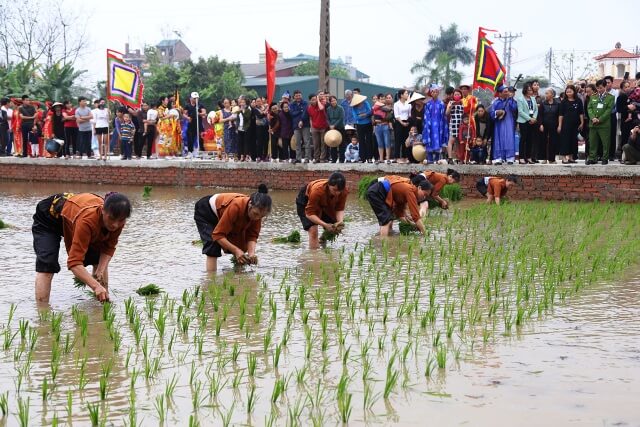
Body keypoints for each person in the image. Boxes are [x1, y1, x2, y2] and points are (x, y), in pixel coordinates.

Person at [32, 192, 131, 303]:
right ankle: (43, 314)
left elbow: (108, 247)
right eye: (112, 219)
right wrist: (95, 286)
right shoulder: (87, 221)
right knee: (48, 265)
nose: (115, 225)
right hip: (50, 217)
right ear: (103, 210)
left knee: (98, 260)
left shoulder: (117, 220)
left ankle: (102, 304)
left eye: (121, 220)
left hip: (72, 217)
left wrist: (100, 270)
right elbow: (74, 263)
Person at [194, 185, 272, 272]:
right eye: (255, 214)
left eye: (262, 216)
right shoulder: (236, 207)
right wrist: (236, 251)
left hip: (224, 213)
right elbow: (218, 235)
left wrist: (251, 254)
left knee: (241, 242)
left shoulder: (257, 214)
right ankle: (211, 278)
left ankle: (238, 274)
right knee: (213, 245)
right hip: (206, 211)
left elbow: (252, 235)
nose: (257, 218)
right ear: (250, 204)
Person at [366, 174, 433, 236]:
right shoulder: (410, 191)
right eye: (424, 194)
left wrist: (412, 224)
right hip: (377, 192)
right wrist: (425, 234)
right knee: (386, 221)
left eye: (426, 197)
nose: (423, 198)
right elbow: (416, 217)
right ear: (419, 188)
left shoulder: (406, 193)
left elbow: (399, 214)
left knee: (389, 218)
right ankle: (383, 243)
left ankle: (381, 237)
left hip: (379, 192)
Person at [296, 172, 348, 249]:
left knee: (335, 227)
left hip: (326, 201)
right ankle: (315, 257)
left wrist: (340, 222)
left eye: (340, 191)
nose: (337, 193)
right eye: (335, 190)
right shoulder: (317, 191)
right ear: (329, 185)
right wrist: (325, 225)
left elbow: (339, 209)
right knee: (313, 231)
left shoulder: (343, 191)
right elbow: (309, 214)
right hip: (306, 200)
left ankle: (322, 240)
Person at [586, 79, 615, 165]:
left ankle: (605, 158)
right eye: (598, 88)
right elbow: (589, 108)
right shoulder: (593, 96)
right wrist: (593, 118)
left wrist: (600, 119)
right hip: (593, 123)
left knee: (605, 142)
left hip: (604, 124)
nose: (599, 90)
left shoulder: (610, 97)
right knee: (592, 142)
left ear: (605, 87)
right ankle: (592, 158)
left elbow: (609, 110)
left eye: (601, 88)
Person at [489, 85, 518, 165]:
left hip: (509, 123)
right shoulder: (495, 102)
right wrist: (497, 112)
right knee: (499, 140)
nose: (507, 93)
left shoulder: (511, 101)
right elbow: (491, 113)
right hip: (499, 125)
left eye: (507, 91)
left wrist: (511, 99)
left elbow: (514, 108)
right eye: (505, 92)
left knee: (509, 139)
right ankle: (498, 158)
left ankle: (510, 158)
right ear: (500, 93)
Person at [558, 85, 584, 164]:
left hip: (575, 124)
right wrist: (559, 125)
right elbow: (561, 114)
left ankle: (571, 157)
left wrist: (582, 122)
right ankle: (564, 158)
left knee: (573, 141)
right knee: (565, 141)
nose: (568, 93)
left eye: (570, 91)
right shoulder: (563, 102)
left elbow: (581, 113)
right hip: (565, 125)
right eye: (567, 92)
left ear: (574, 92)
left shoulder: (578, 101)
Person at [422, 84, 448, 163]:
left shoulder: (441, 104)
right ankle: (429, 159)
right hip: (430, 125)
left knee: (438, 140)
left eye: (436, 92)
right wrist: (427, 125)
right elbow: (426, 116)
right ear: (431, 93)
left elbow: (443, 116)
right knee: (430, 140)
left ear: (438, 93)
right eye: (433, 92)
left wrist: (443, 125)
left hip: (439, 125)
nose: (435, 93)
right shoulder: (428, 104)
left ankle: (437, 160)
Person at [516, 83, 539, 164]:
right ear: (525, 90)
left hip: (532, 121)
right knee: (523, 139)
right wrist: (529, 118)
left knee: (530, 140)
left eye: (531, 90)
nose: (530, 91)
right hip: (524, 121)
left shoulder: (533, 99)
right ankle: (521, 157)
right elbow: (520, 111)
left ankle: (528, 157)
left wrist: (534, 118)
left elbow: (536, 109)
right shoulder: (520, 99)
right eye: (529, 90)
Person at [538, 88, 560, 164]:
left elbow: (559, 115)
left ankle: (552, 159)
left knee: (553, 142)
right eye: (545, 93)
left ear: (552, 95)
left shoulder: (557, 104)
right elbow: (540, 115)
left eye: (547, 93)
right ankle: (544, 158)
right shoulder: (543, 103)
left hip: (554, 125)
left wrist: (559, 125)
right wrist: (540, 124)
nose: (546, 95)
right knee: (543, 141)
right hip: (544, 125)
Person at [290, 90, 311, 163]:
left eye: (299, 95)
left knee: (307, 141)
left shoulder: (305, 103)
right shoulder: (292, 104)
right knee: (297, 142)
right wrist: (300, 111)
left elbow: (306, 113)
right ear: (294, 97)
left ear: (301, 95)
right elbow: (292, 113)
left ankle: (307, 158)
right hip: (296, 126)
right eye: (296, 96)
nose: (298, 97)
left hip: (305, 125)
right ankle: (298, 158)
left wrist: (301, 120)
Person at [352, 93, 374, 163]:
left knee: (369, 141)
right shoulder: (354, 107)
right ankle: (362, 158)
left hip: (368, 124)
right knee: (361, 141)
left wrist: (363, 115)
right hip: (359, 125)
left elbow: (370, 112)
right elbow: (356, 117)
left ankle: (369, 157)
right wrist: (364, 115)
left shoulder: (366, 103)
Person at [308, 93, 329, 163]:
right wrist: (312, 126)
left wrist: (318, 99)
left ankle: (322, 158)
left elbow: (321, 108)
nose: (314, 101)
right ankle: (316, 158)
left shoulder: (321, 104)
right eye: (312, 100)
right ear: (310, 101)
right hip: (315, 127)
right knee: (316, 144)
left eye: (315, 99)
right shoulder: (309, 108)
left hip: (323, 126)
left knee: (323, 143)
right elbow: (310, 118)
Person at [373, 93, 393, 163]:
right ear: (378, 100)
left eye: (384, 99)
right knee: (380, 143)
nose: (383, 100)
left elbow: (389, 117)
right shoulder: (375, 107)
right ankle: (381, 159)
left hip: (385, 126)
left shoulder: (387, 107)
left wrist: (381, 120)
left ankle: (387, 159)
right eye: (381, 99)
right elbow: (374, 118)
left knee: (387, 143)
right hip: (378, 127)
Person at [445, 89, 464, 163]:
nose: (457, 96)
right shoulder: (450, 102)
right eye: (455, 94)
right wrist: (450, 107)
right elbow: (447, 113)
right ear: (453, 95)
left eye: (458, 94)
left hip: (461, 124)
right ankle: (450, 157)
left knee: (459, 141)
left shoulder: (462, 102)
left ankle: (459, 158)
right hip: (453, 123)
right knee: (451, 140)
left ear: (461, 95)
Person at [393, 89, 411, 162]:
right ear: (401, 95)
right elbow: (396, 115)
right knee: (398, 140)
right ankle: (397, 157)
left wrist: (408, 122)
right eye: (406, 93)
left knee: (405, 140)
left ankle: (405, 156)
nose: (407, 95)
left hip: (407, 122)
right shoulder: (396, 104)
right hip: (399, 123)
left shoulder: (409, 104)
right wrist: (402, 122)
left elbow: (410, 114)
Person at [326, 95, 345, 162]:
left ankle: (342, 159)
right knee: (332, 143)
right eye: (332, 101)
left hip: (340, 127)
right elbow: (327, 118)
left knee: (341, 144)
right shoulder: (328, 109)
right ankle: (334, 159)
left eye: (334, 100)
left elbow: (341, 118)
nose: (333, 102)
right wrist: (330, 125)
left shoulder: (340, 108)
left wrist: (334, 125)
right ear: (330, 102)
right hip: (332, 129)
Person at [237, 96, 253, 162]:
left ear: (246, 103)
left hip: (246, 128)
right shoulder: (239, 110)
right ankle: (241, 156)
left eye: (243, 102)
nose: (242, 103)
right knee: (240, 143)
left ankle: (246, 156)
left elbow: (247, 118)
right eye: (241, 102)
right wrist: (236, 127)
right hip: (239, 128)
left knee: (246, 143)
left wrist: (242, 112)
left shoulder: (248, 110)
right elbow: (238, 119)